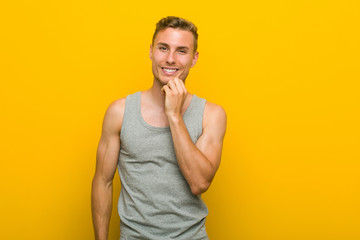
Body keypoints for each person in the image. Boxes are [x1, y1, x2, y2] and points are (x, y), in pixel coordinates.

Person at [91, 16, 227, 240]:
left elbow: (199, 183)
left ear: (194, 59)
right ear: (151, 51)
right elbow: (102, 182)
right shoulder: (120, 112)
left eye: (181, 51)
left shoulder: (212, 115)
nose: (170, 59)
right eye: (163, 48)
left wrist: (174, 115)